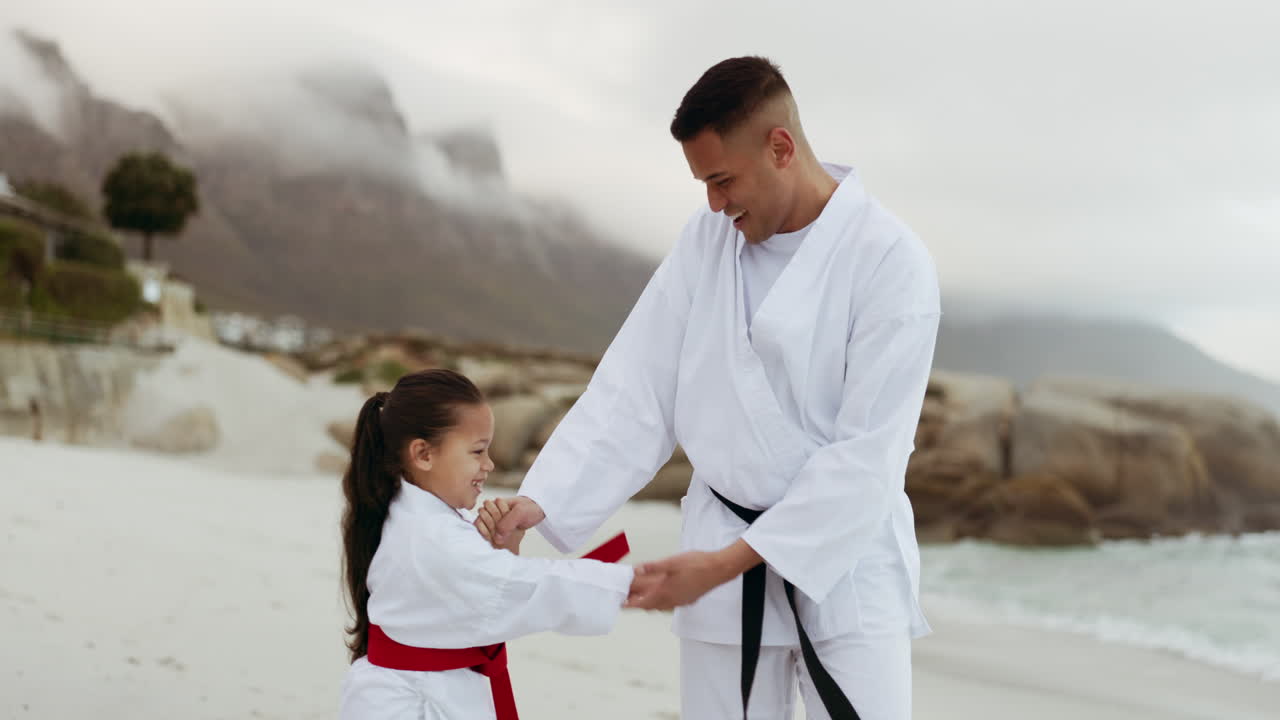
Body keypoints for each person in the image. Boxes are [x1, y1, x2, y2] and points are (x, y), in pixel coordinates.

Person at [488, 56, 940, 719]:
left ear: (780, 147)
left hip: (847, 566)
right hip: (721, 546)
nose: (714, 203)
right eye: (703, 183)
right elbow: (638, 387)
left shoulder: (891, 262)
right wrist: (541, 502)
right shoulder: (706, 243)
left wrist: (729, 562)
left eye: (723, 180)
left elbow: (868, 457)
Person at [338, 369, 635, 720]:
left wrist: (502, 546)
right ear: (423, 454)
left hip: (403, 691)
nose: (489, 465)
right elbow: (514, 588)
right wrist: (628, 583)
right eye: (477, 451)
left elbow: (486, 589)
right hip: (415, 702)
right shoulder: (434, 535)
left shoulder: (408, 513)